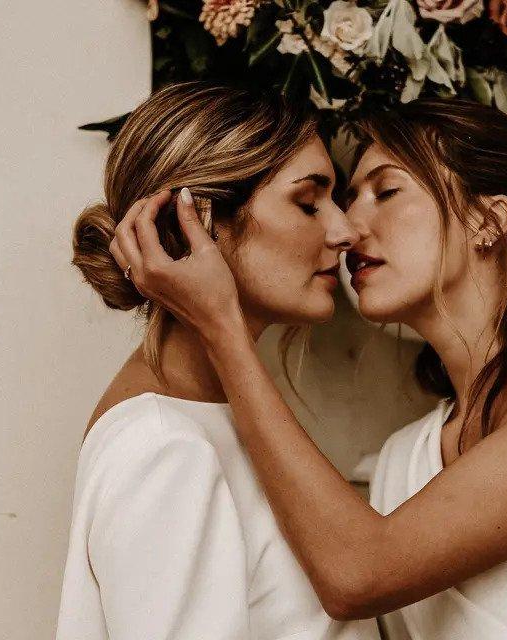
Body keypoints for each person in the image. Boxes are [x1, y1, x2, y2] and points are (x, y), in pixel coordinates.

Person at [113, 97, 507, 640]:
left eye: (386, 191)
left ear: (488, 220)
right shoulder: (404, 457)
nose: (349, 229)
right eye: (345, 200)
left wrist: (223, 330)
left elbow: (358, 575)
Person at [55, 82, 380, 640]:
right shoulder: (163, 447)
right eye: (308, 203)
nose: (344, 230)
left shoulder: (215, 415)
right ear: (196, 222)